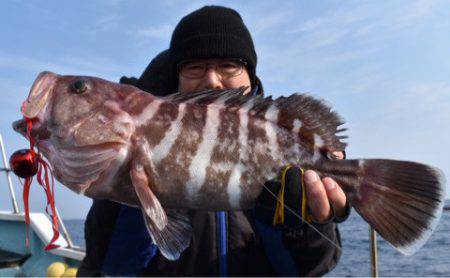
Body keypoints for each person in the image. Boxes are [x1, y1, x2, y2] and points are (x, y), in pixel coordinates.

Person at [77, 6, 350, 277]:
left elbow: (312, 268)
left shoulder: (283, 131)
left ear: (250, 75)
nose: (211, 79)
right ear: (176, 77)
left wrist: (299, 231)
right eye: (194, 67)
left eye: (229, 66)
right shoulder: (137, 141)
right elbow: (111, 268)